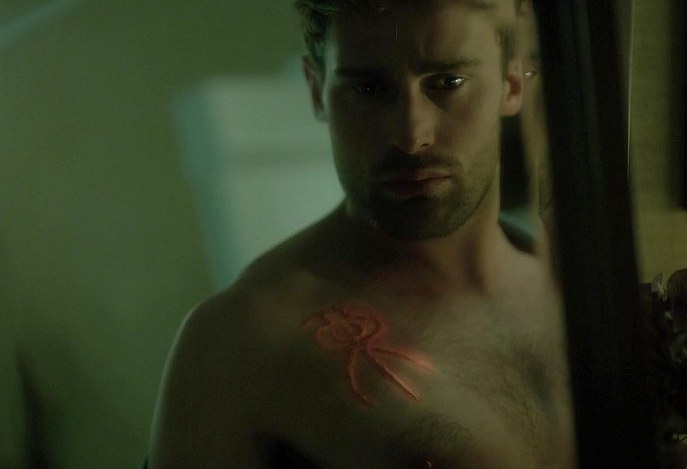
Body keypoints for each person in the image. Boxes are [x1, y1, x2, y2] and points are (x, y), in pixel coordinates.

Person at [147, 0, 576, 467]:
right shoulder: (242, 339)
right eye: (369, 89)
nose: (411, 135)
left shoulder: (584, 291)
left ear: (512, 83)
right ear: (316, 90)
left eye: (447, 83)